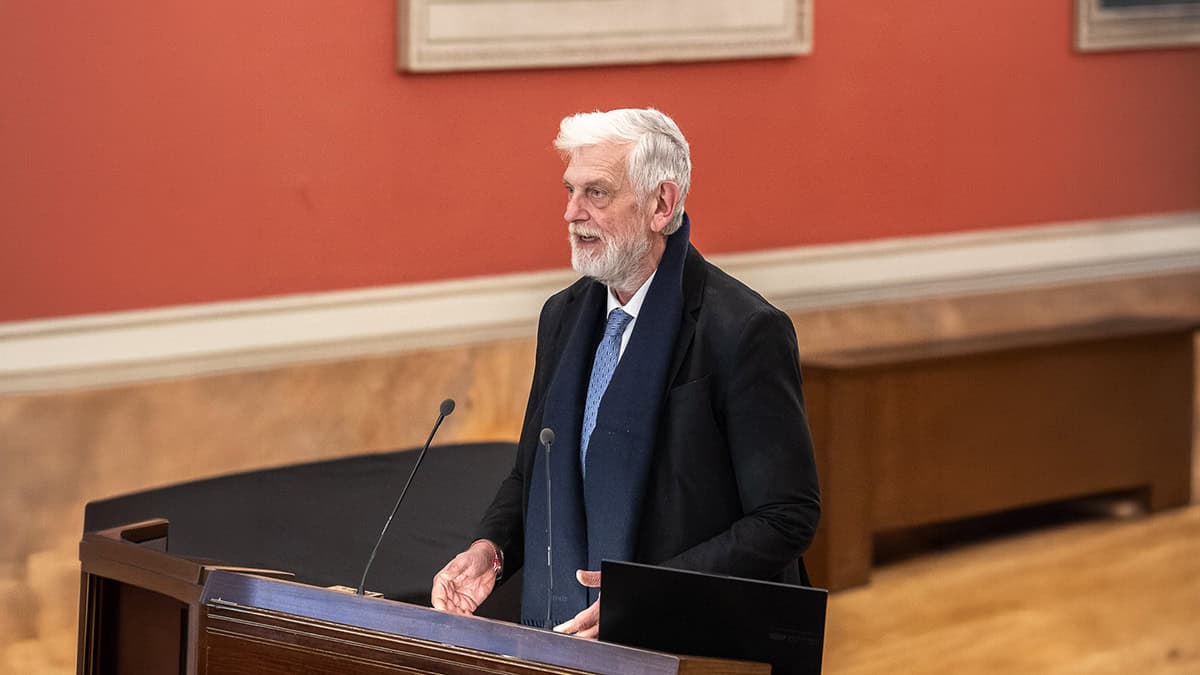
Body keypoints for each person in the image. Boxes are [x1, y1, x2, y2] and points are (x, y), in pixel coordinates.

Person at [431, 108, 820, 638]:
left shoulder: (745, 330)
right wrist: (490, 551)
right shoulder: (563, 316)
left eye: (597, 193)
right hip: (564, 632)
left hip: (697, 642)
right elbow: (533, 474)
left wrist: (647, 597)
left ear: (662, 204)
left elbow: (785, 516)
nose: (571, 213)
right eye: (570, 191)